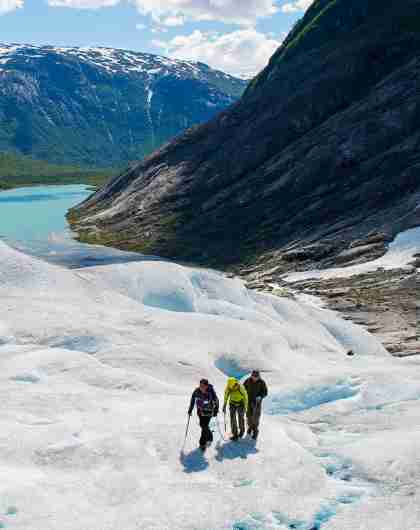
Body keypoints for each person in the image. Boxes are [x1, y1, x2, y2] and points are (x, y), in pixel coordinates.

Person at [188, 379, 219, 451]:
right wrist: (190, 409)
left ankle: (202, 443)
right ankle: (210, 435)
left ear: (207, 386)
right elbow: (192, 400)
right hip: (200, 411)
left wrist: (216, 410)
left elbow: (216, 400)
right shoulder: (197, 391)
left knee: (204, 425)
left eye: (203, 386)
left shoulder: (211, 391)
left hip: (208, 411)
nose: (201, 387)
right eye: (200, 385)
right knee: (203, 425)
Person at [244, 370, 268, 440]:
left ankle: (255, 431)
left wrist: (260, 396)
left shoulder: (262, 382)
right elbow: (243, 389)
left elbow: (265, 392)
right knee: (248, 416)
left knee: (255, 417)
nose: (254, 378)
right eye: (253, 376)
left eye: (256, 377)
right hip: (248, 402)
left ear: (258, 376)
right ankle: (250, 428)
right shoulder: (247, 381)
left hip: (256, 403)